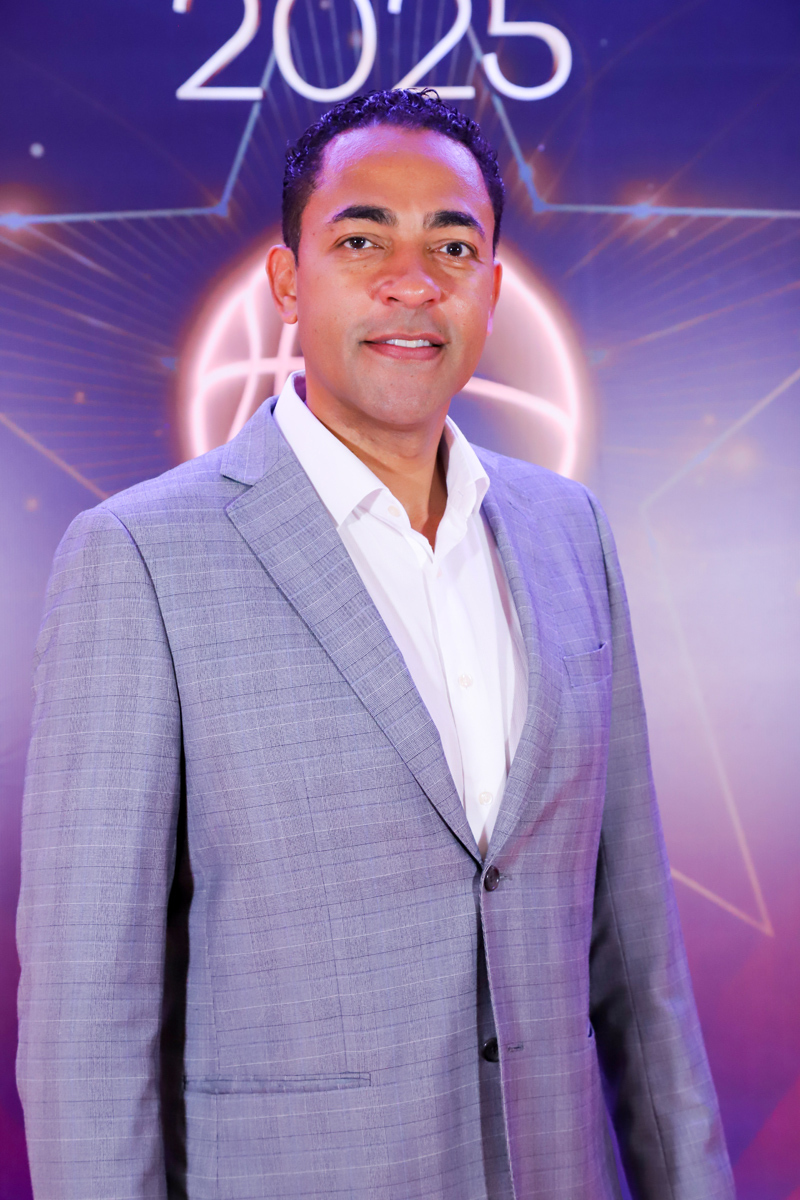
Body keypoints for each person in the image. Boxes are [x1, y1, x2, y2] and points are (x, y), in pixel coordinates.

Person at [17, 89, 734, 1200]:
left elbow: (636, 959)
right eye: (362, 241)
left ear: (492, 287)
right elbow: (87, 1018)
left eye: (452, 245)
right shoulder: (140, 557)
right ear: (287, 281)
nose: (413, 280)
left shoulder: (568, 532)